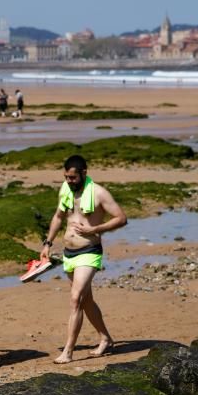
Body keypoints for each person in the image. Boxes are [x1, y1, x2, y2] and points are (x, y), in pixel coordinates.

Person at [41, 155, 127, 363]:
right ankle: (105, 338)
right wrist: (47, 243)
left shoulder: (99, 193)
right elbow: (58, 217)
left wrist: (95, 229)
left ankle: (68, 352)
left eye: (72, 177)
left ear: (84, 174)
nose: (69, 181)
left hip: (89, 251)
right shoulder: (65, 189)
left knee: (75, 298)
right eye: (66, 177)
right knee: (86, 300)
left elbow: (121, 218)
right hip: (68, 253)